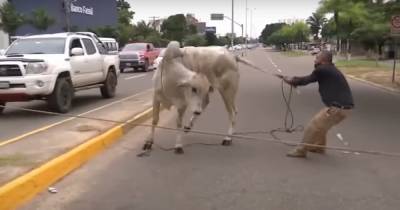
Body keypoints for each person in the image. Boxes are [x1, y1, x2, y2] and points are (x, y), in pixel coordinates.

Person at [277, 51, 354, 158]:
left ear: (323, 60)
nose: (315, 60)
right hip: (343, 108)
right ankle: (319, 147)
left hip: (338, 108)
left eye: (317, 58)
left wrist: (292, 80)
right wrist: (292, 80)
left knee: (313, 126)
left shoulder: (322, 69)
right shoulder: (329, 69)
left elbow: (306, 80)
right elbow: (307, 80)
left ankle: (301, 150)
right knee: (321, 127)